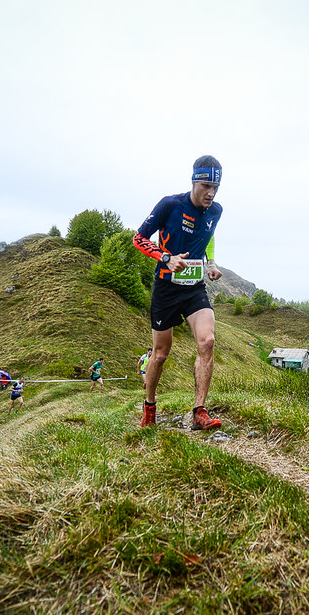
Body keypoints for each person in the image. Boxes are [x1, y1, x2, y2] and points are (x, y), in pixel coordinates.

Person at [132, 154, 224, 430]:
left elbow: (207, 238)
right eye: (206, 186)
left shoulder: (216, 211)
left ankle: (200, 411)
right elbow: (138, 238)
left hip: (194, 288)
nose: (210, 193)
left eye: (215, 188)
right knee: (160, 354)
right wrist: (165, 257)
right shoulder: (170, 205)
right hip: (166, 288)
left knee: (207, 341)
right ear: (194, 181)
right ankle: (149, 409)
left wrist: (211, 263)